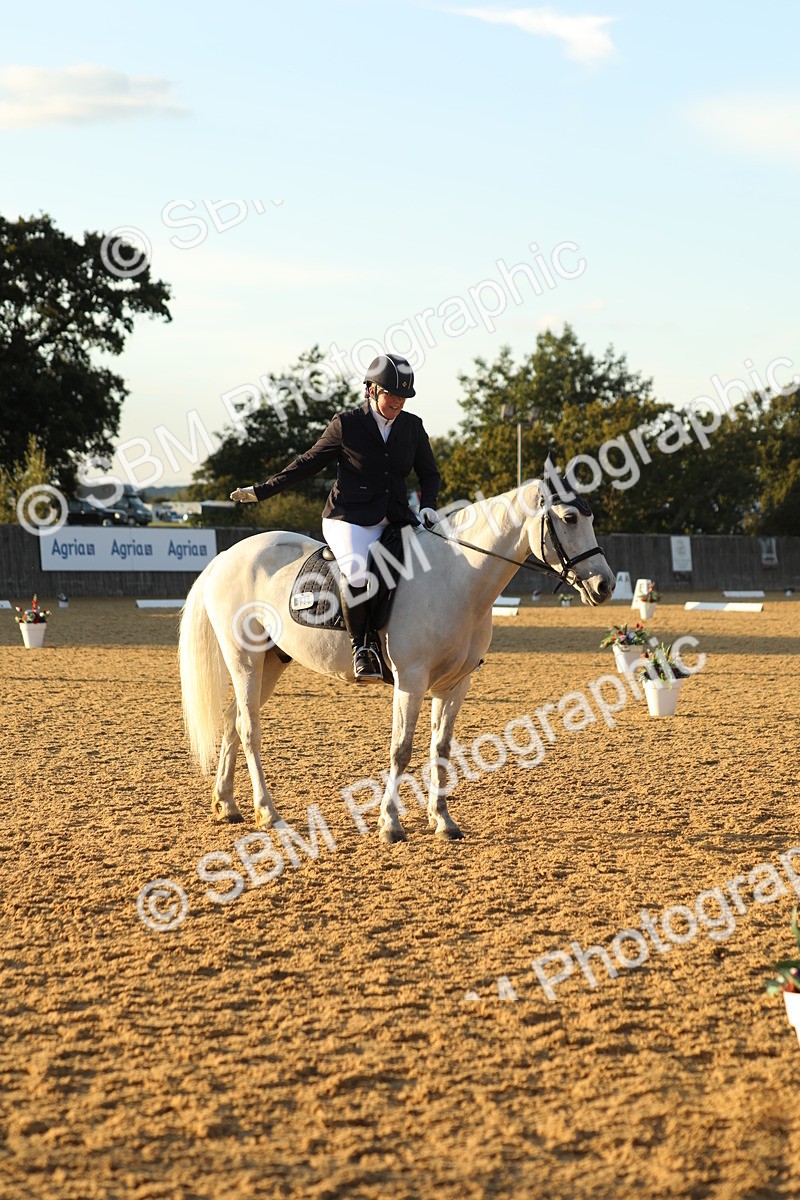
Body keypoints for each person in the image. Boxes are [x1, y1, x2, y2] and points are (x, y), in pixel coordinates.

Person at [230, 352, 441, 680]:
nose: (398, 402)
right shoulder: (347, 425)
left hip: (396, 516)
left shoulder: (412, 427)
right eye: (391, 395)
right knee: (357, 573)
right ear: (371, 390)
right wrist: (262, 491)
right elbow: (308, 463)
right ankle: (363, 647)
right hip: (350, 519)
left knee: (432, 563)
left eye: (403, 397)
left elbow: (429, 473)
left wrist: (428, 503)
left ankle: (441, 642)